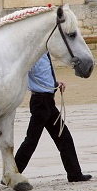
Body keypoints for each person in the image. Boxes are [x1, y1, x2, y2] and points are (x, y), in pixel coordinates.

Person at [15, 52, 92, 182]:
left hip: (48, 102)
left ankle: (74, 174)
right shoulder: (32, 54)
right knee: (31, 141)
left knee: (64, 137)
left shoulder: (44, 53)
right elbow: (22, 74)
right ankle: (11, 174)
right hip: (40, 102)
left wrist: (54, 84)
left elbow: (43, 76)